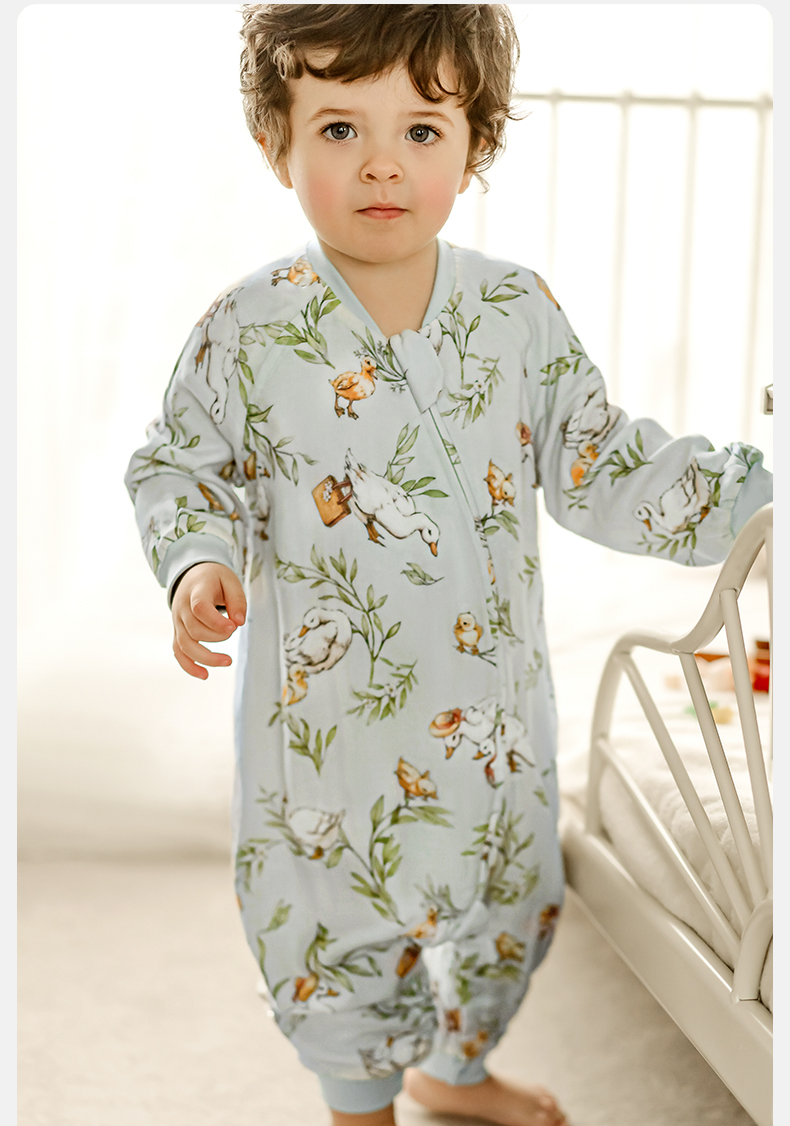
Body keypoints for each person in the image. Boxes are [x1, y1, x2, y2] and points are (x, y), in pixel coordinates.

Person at [125, 6, 772, 1124]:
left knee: (512, 908)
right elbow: (180, 467)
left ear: (475, 146)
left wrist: (756, 499)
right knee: (328, 931)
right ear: (276, 142)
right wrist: (195, 562)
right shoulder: (249, 328)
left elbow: (600, 461)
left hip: (492, 723)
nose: (382, 162)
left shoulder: (515, 313)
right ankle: (362, 1099)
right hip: (325, 738)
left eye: (421, 130)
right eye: (339, 129)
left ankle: (454, 1069)